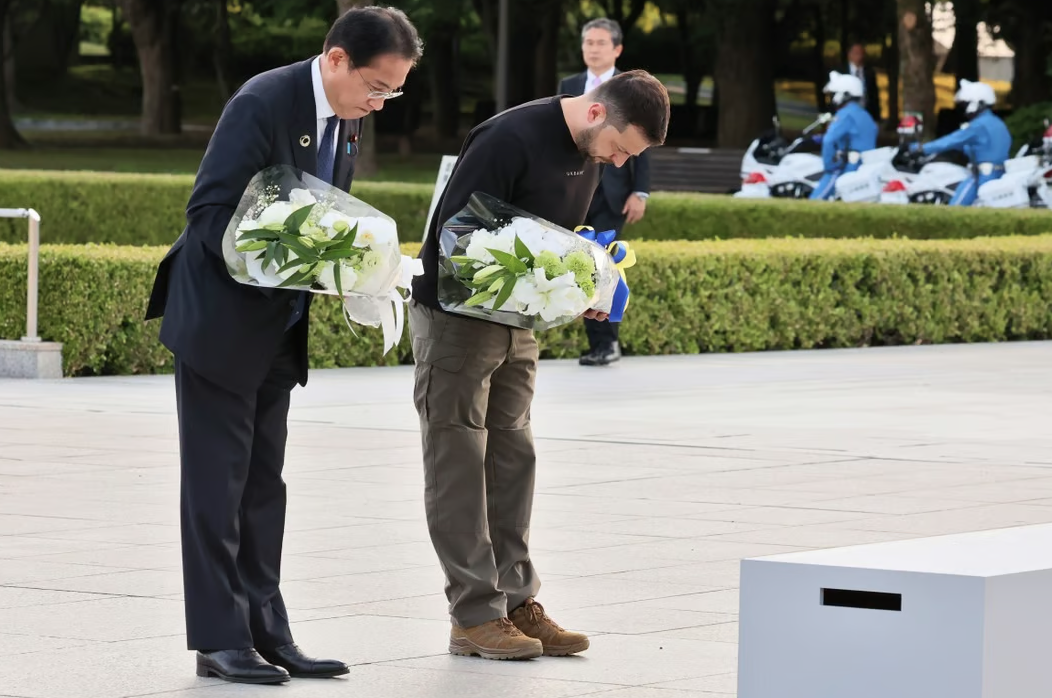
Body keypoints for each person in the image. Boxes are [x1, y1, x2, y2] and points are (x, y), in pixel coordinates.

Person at [143, 6, 422, 685]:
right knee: (217, 485)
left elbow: (329, 217)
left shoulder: (347, 121)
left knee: (265, 484)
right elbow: (209, 215)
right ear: (335, 60)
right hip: (219, 320)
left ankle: (268, 625)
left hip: (278, 328)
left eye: (394, 92)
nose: (380, 103)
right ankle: (218, 639)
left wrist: (354, 268)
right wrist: (284, 257)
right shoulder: (263, 102)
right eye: (378, 87)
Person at [409, 70, 670, 661]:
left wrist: (585, 281)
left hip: (517, 323)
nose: (621, 162)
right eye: (622, 149)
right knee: (458, 459)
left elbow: (551, 235)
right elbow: (457, 237)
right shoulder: (508, 136)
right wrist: (540, 276)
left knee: (513, 457)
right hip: (457, 318)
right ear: (600, 115)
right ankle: (473, 614)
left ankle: (517, 601)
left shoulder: (591, 152)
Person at [558, 17, 651, 367]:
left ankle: (607, 342)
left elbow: (643, 144)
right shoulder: (570, 85)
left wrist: (640, 191)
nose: (593, 49)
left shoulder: (631, 88)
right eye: (588, 43)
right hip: (577, 186)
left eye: (600, 43)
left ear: (617, 49)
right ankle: (594, 343)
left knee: (606, 264)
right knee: (579, 264)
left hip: (614, 192)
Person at [908, 79, 1011, 206]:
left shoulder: (978, 125)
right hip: (1000, 172)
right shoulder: (997, 123)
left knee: (956, 206)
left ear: (976, 103)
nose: (964, 108)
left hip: (983, 176)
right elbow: (984, 147)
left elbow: (950, 141)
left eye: (965, 104)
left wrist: (921, 148)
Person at [809, 71, 878, 200]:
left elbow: (829, 140)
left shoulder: (845, 114)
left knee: (815, 201)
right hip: (865, 166)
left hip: (848, 166)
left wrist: (829, 166)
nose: (832, 98)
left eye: (834, 94)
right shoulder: (865, 115)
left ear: (843, 94)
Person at [844, 42, 881, 124]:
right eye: (856, 53)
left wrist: (876, 118)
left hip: (865, 115)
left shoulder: (869, 73)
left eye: (861, 53)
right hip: (846, 116)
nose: (859, 56)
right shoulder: (842, 72)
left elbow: (874, 96)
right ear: (849, 54)